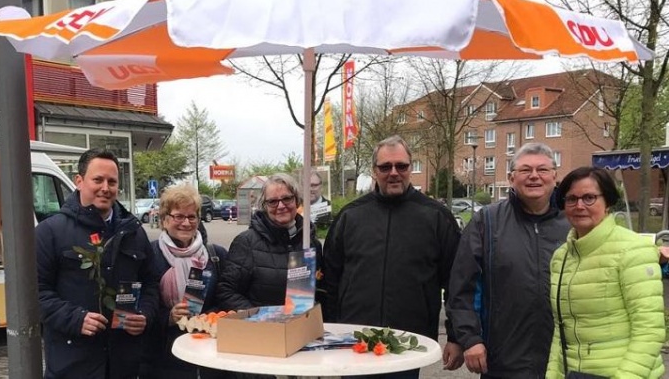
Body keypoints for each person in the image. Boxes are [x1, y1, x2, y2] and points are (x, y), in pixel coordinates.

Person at [321, 135, 464, 378]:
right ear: (374, 171)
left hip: (408, 343)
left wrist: (456, 336)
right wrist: (328, 331)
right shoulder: (350, 217)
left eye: (402, 166)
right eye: (385, 167)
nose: (394, 172)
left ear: (410, 167)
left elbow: (456, 283)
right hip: (355, 340)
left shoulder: (437, 217)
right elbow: (330, 282)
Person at [446, 142, 570, 378]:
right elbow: (462, 287)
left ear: (555, 176)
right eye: (525, 170)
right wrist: (470, 338)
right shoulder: (487, 222)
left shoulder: (574, 223)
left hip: (563, 360)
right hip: (503, 359)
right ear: (512, 178)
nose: (534, 176)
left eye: (542, 170)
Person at [36, 148, 159, 379]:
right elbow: (35, 293)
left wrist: (145, 314)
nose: (106, 188)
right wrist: (76, 318)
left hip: (123, 365)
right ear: (79, 181)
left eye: (112, 181)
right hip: (72, 365)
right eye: (98, 180)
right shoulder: (49, 232)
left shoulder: (134, 232)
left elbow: (151, 283)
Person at [547, 167, 665, 378]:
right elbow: (561, 331)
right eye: (571, 199)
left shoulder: (633, 249)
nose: (579, 205)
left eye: (589, 198)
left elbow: (649, 331)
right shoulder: (561, 257)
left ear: (608, 202)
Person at [141, 184, 228, 379]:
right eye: (178, 216)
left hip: (209, 356)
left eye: (191, 216)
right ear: (164, 219)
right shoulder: (149, 256)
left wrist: (207, 317)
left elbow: (226, 299)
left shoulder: (216, 256)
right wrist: (168, 317)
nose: (186, 223)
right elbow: (141, 308)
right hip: (165, 358)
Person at [217, 173, 322, 310]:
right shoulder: (246, 242)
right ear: (264, 206)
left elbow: (322, 291)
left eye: (287, 198)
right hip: (262, 329)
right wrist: (259, 316)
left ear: (296, 200)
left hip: (301, 327)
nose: (280, 206)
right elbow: (226, 291)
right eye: (272, 201)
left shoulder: (311, 243)